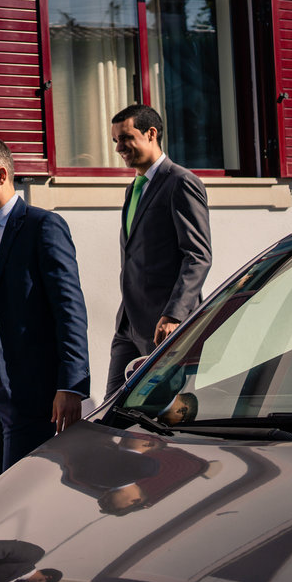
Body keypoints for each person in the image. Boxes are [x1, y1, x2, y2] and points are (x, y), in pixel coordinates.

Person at [0, 135, 90, 482]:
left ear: (0, 174)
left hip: (27, 389)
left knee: (23, 495)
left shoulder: (43, 226)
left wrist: (71, 386)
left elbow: (69, 310)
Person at [107, 104, 212, 395]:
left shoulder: (181, 182)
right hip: (128, 324)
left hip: (164, 326)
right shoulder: (133, 188)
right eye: (115, 140)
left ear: (151, 133)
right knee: (113, 405)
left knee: (165, 407)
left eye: (125, 138)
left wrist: (174, 315)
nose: (118, 148)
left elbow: (198, 256)